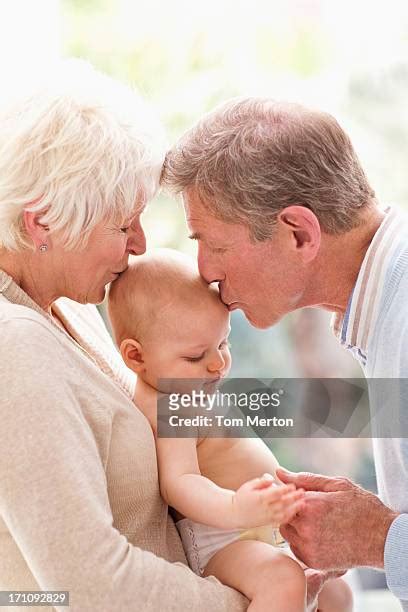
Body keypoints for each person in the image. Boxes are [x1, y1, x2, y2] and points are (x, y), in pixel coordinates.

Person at [0, 60, 250, 612]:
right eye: (121, 225)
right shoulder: (13, 347)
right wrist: (252, 598)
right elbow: (93, 585)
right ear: (43, 224)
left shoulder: (68, 306)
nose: (139, 244)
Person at [161, 97, 408, 610]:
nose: (204, 270)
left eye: (214, 244)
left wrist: (380, 540)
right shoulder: (381, 309)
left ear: (298, 233)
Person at [108, 247, 353, 612]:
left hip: (260, 528)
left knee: (338, 593)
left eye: (223, 343)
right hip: (222, 537)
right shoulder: (170, 403)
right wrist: (238, 507)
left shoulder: (185, 386)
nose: (218, 363)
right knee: (285, 582)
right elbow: (179, 482)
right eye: (196, 356)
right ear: (136, 356)